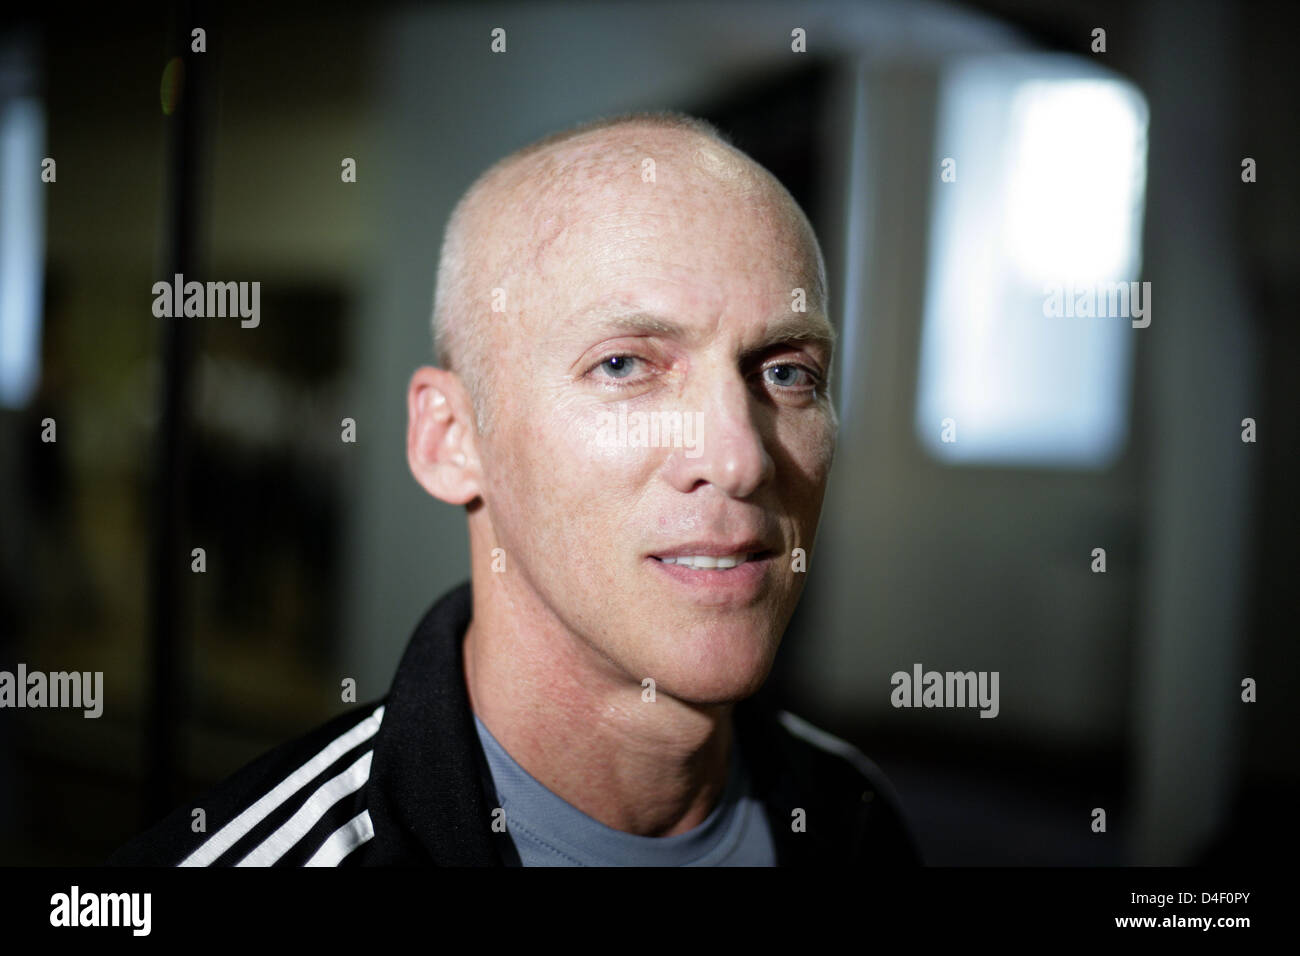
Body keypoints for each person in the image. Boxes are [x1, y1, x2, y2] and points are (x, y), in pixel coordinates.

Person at [108, 111, 921, 867]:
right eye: (624, 365)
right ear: (450, 440)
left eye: (786, 372)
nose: (740, 457)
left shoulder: (852, 816)